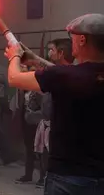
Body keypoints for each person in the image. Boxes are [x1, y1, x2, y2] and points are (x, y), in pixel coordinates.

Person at [7, 14, 104, 195]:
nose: (71, 41)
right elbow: (65, 74)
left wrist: (14, 56)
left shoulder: (65, 77)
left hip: (67, 177)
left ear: (82, 40)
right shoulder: (69, 76)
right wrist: (35, 59)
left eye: (72, 37)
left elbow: (14, 78)